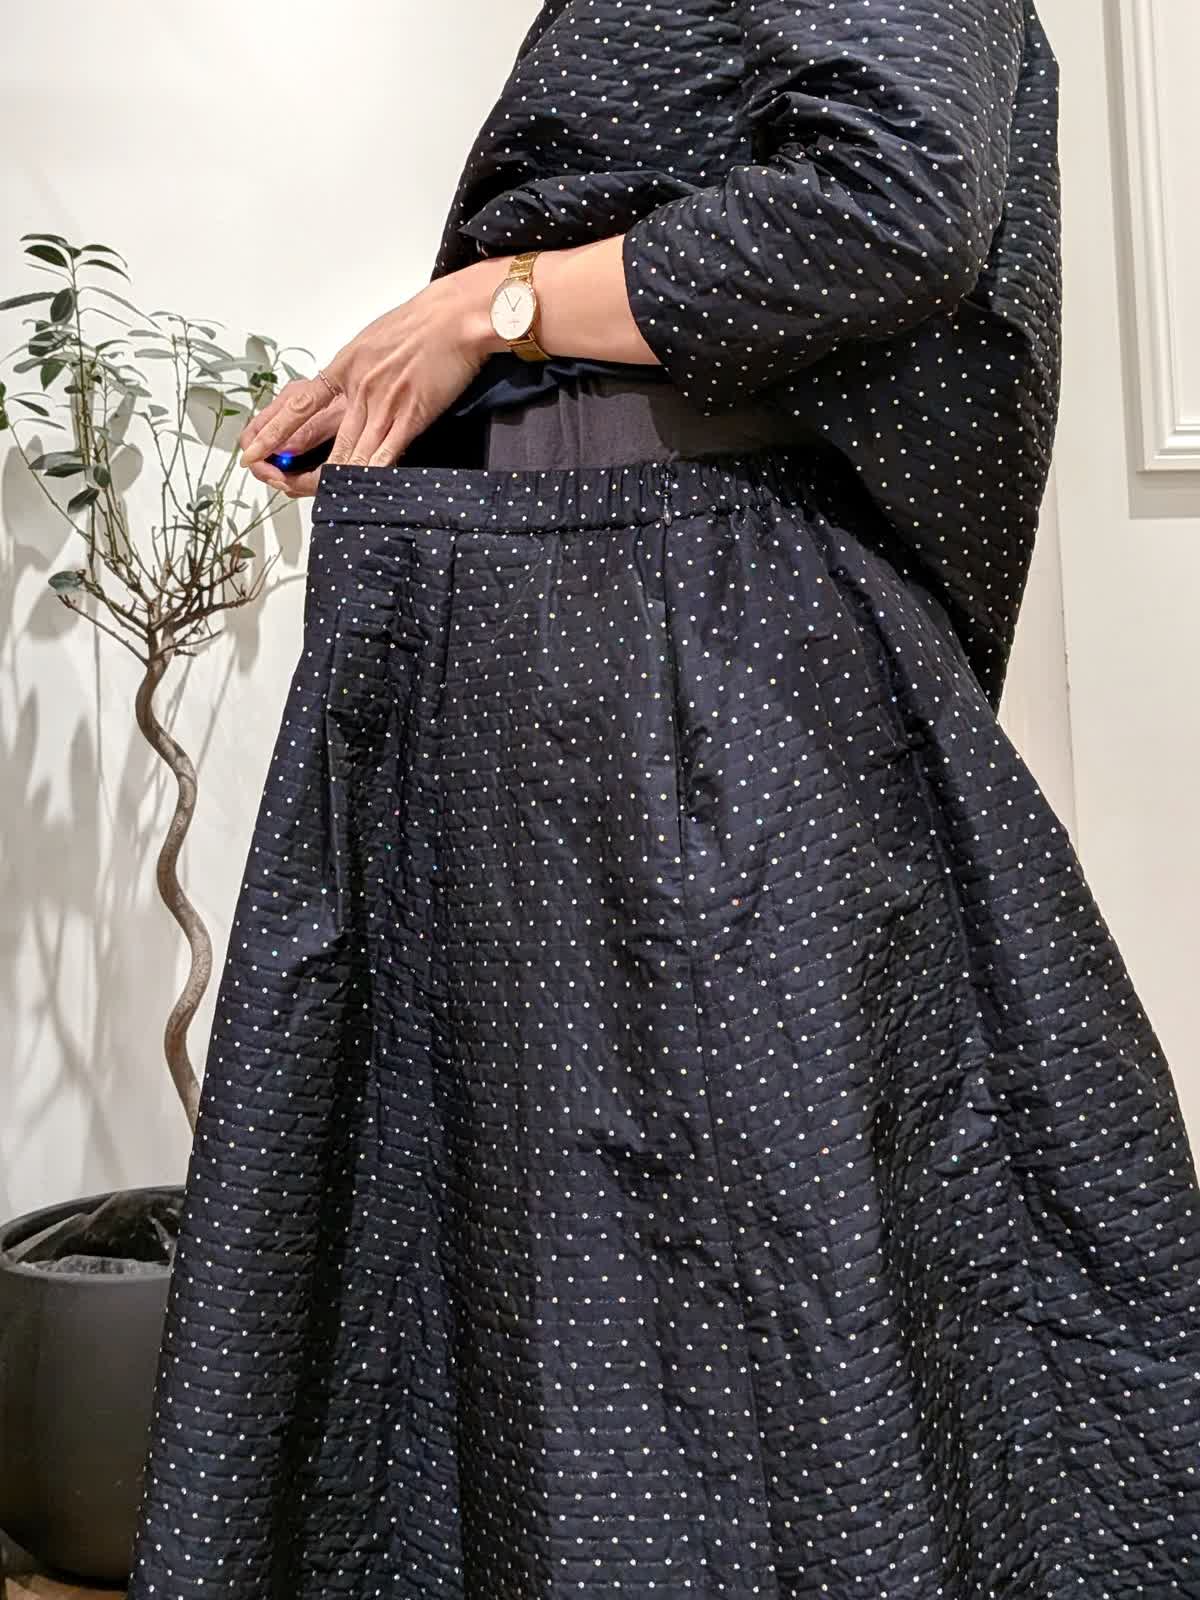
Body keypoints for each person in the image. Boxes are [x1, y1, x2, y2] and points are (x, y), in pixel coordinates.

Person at [127, 3, 1200, 1596]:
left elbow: (892, 199)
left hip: (664, 651)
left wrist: (493, 306)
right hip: (584, 641)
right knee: (564, 1313)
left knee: (704, 1308)